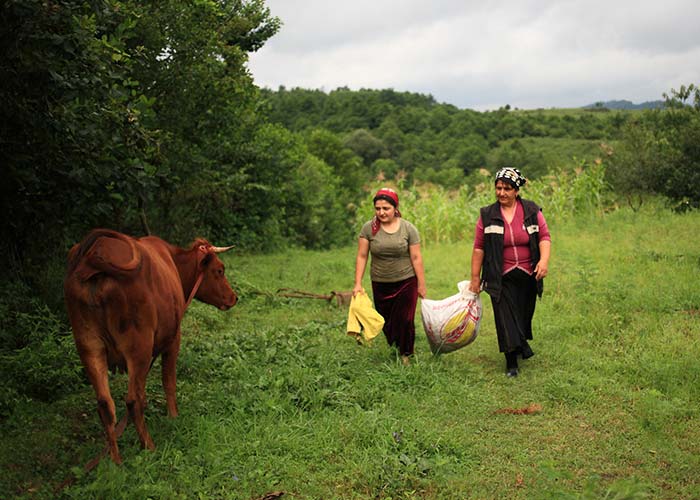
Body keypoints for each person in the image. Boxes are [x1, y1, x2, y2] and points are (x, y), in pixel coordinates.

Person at [469, 168, 551, 377]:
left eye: (507, 188)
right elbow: (479, 247)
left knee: (523, 315)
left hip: (527, 273)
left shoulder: (531, 210)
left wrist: (543, 261)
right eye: (498, 188)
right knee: (504, 317)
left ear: (516, 190)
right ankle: (511, 361)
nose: (501, 192)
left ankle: (520, 343)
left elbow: (544, 237)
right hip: (500, 275)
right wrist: (475, 277)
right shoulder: (488, 215)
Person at [353, 188, 427, 365]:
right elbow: (362, 256)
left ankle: (406, 354)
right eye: (378, 208)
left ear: (395, 208)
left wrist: (421, 284)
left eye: (386, 208)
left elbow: (416, 257)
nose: (381, 212)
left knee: (406, 319)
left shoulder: (408, 229)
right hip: (381, 282)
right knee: (387, 321)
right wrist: (357, 283)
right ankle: (395, 346)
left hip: (406, 281)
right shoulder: (368, 229)